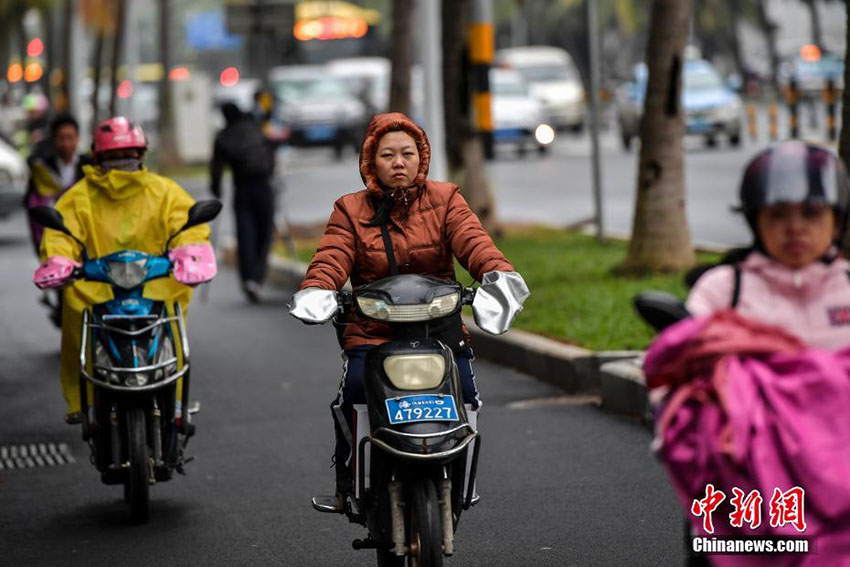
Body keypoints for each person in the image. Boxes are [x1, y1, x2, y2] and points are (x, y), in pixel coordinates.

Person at [289, 112, 529, 506]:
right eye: (387, 155)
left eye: (407, 153)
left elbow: (475, 242)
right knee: (353, 394)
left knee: (467, 394)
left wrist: (498, 275)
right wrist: (318, 288)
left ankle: (463, 485)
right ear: (371, 162)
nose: (398, 162)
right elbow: (331, 258)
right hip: (373, 332)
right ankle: (351, 485)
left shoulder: (447, 198)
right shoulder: (350, 210)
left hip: (439, 330)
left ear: (421, 157)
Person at [32, 117, 217, 424]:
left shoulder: (165, 192)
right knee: (77, 324)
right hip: (97, 289)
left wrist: (190, 252)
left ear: (141, 155)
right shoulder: (78, 198)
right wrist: (59, 259)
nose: (122, 161)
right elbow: (60, 236)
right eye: (115, 155)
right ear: (97, 157)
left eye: (129, 154)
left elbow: (187, 226)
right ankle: (86, 402)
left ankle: (176, 405)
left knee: (173, 334)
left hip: (155, 287)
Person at [687, 140, 850, 349]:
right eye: (777, 215)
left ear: (837, 222)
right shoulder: (723, 290)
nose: (795, 228)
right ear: (756, 222)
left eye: (811, 213)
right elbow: (682, 364)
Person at [210, 102, 276, 303]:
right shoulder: (254, 127)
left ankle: (248, 278)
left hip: (242, 189)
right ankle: (257, 276)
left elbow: (216, 167)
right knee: (265, 232)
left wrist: (217, 189)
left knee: (245, 233)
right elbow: (269, 151)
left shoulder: (223, 136)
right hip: (263, 186)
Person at [25, 113, 90, 252]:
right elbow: (32, 205)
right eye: (61, 138)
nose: (66, 144)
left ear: (77, 138)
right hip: (54, 239)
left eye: (70, 138)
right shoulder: (42, 170)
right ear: (54, 140)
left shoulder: (89, 167)